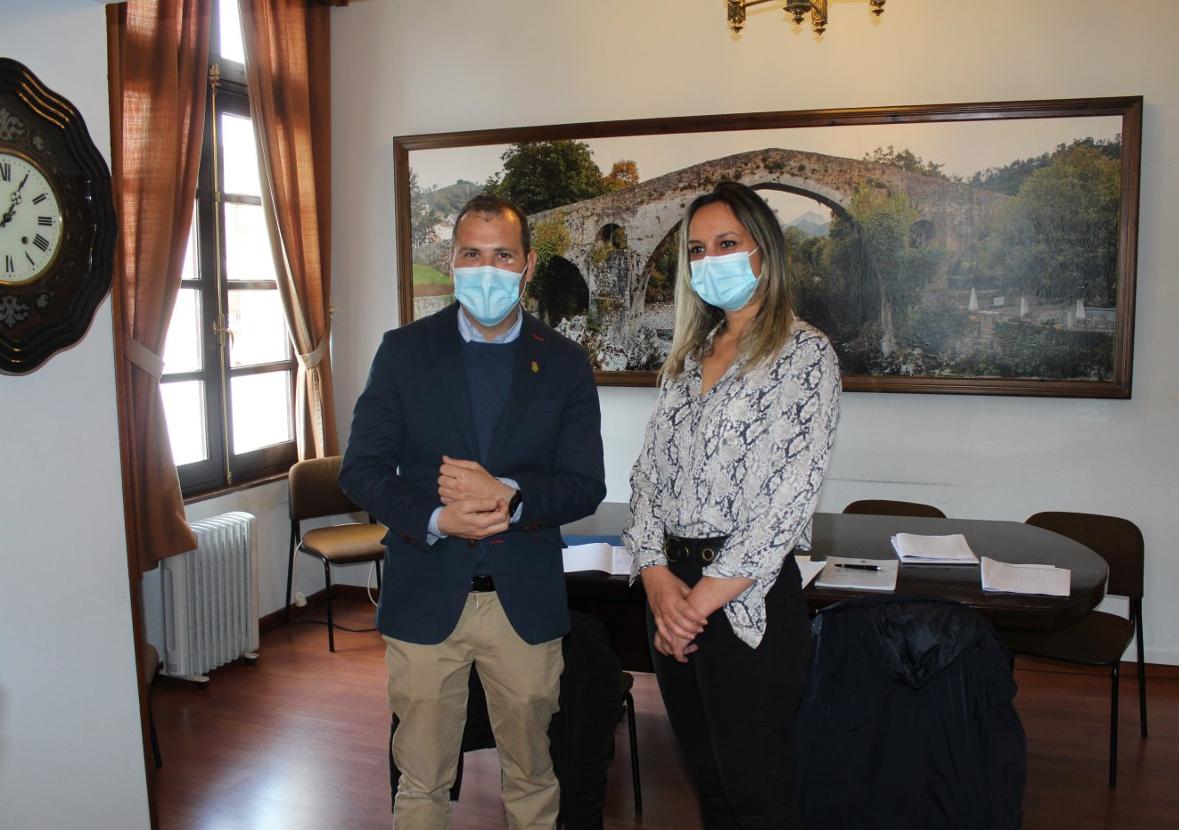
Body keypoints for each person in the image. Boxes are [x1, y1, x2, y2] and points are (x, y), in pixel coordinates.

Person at [340, 193, 606, 830]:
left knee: (533, 778)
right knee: (421, 782)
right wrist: (437, 519)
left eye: (502, 255)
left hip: (525, 605)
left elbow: (584, 484)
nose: (486, 269)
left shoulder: (565, 363)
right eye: (471, 254)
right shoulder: (403, 352)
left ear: (528, 265)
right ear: (451, 260)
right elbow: (363, 470)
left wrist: (508, 498)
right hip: (426, 598)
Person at [622, 181, 841, 829]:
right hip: (673, 597)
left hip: (749, 603)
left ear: (763, 253)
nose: (709, 258)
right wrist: (660, 582)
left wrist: (695, 603)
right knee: (710, 788)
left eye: (726, 243)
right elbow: (647, 481)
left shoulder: (805, 354)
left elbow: (784, 504)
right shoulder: (689, 358)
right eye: (696, 248)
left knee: (761, 796)